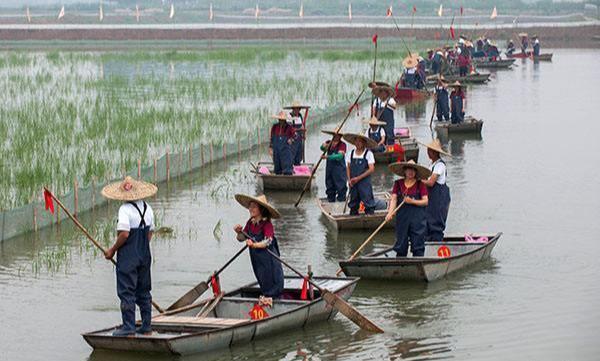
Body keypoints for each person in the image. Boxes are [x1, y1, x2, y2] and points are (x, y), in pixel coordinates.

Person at [102, 176, 158, 336]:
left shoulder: (124, 209)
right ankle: (146, 327)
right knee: (144, 290)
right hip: (145, 254)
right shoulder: (148, 208)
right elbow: (150, 232)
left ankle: (128, 327)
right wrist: (142, 247)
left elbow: (125, 234)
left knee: (127, 291)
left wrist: (112, 250)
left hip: (129, 256)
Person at [234, 194, 284, 298]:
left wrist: (254, 244)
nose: (250, 209)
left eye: (254, 207)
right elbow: (241, 238)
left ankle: (273, 298)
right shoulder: (250, 223)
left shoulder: (267, 224)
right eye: (250, 206)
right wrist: (238, 232)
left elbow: (268, 241)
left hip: (269, 259)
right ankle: (266, 296)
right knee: (262, 278)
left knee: (272, 280)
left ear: (260, 209)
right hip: (257, 259)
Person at [385, 160, 431, 257]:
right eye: (409, 169)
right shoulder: (398, 184)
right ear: (404, 171)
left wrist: (412, 201)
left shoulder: (420, 184)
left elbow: (425, 201)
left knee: (418, 246)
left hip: (417, 220)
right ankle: (400, 267)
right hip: (402, 219)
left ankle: (418, 266)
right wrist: (390, 213)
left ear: (416, 172)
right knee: (401, 245)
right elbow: (394, 199)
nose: (411, 172)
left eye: (413, 170)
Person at [419, 139, 452, 242]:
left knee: (436, 222)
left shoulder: (440, 166)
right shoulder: (431, 165)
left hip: (439, 199)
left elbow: (431, 182)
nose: (428, 153)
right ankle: (427, 243)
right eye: (428, 150)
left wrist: (418, 180)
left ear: (435, 152)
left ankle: (437, 244)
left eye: (430, 151)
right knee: (427, 221)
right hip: (431, 199)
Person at [343, 133, 377, 215]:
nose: (358, 143)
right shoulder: (350, 153)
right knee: (353, 203)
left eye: (360, 141)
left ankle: (369, 217)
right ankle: (353, 217)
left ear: (364, 143)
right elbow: (348, 167)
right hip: (353, 183)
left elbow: (371, 169)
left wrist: (358, 178)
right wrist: (349, 180)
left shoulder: (368, 154)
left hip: (364, 183)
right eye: (356, 141)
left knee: (368, 202)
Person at [321, 128, 347, 203]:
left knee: (340, 186)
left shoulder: (342, 145)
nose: (335, 136)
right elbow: (322, 148)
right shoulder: (329, 142)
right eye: (334, 135)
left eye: (337, 135)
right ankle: (330, 201)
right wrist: (324, 146)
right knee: (330, 185)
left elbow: (339, 156)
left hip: (339, 170)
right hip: (329, 169)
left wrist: (328, 157)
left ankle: (341, 202)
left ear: (340, 136)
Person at [269, 111, 295, 175]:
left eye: (282, 120)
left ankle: (287, 176)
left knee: (287, 168)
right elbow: (272, 138)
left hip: (285, 151)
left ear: (285, 120)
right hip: (276, 150)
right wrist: (270, 147)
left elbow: (295, 136)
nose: (281, 121)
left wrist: (291, 139)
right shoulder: (275, 127)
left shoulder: (289, 127)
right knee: (277, 167)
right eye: (280, 119)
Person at [284, 101, 308, 166]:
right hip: (292, 139)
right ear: (293, 109)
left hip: (299, 138)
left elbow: (303, 126)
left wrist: (303, 134)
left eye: (298, 109)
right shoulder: (289, 116)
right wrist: (300, 129)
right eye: (295, 109)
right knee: (291, 154)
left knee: (299, 154)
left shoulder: (300, 116)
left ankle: (297, 167)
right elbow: (289, 129)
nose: (297, 110)